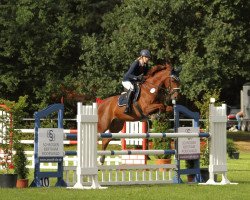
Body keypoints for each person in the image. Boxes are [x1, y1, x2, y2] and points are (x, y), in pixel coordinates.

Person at [122, 49, 151, 114]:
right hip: (127, 80)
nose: (148, 59)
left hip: (135, 81)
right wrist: (137, 77)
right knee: (132, 88)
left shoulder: (145, 65)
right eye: (146, 57)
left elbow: (146, 75)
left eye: (148, 58)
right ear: (142, 57)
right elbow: (128, 75)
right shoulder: (136, 63)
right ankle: (127, 107)